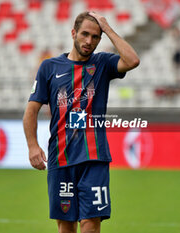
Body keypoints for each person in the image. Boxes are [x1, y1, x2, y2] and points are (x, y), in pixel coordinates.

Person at [23, 11, 139, 233]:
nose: (89, 41)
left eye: (95, 37)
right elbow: (31, 110)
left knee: (91, 225)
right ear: (73, 33)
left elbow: (133, 60)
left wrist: (107, 28)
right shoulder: (49, 67)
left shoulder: (102, 63)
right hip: (61, 158)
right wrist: (32, 145)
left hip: (94, 158)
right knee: (66, 227)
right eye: (85, 34)